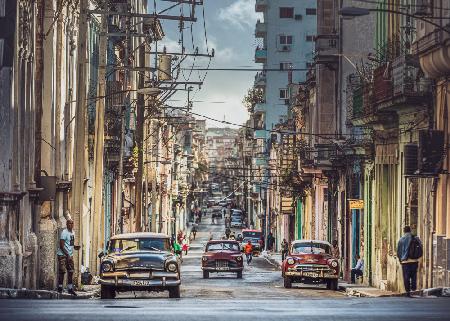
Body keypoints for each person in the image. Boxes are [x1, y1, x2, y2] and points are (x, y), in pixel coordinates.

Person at [397, 226, 422, 296]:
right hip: (414, 260)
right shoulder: (415, 238)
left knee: (406, 276)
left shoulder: (401, 240)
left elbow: (398, 252)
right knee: (414, 275)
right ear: (410, 231)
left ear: (404, 231)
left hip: (405, 262)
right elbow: (420, 247)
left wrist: (400, 260)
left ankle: (407, 291)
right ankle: (413, 287)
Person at [57, 218, 80, 295]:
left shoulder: (73, 232)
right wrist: (67, 255)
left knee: (71, 271)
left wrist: (75, 247)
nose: (71, 225)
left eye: (72, 223)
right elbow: (61, 245)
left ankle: (70, 288)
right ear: (66, 224)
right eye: (69, 223)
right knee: (62, 271)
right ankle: (60, 288)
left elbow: (71, 243)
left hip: (70, 255)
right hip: (63, 255)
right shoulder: (64, 232)